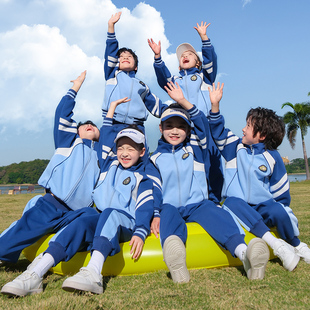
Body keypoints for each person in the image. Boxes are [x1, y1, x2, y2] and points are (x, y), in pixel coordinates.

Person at [149, 82, 270, 283]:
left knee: (215, 212)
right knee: (168, 214)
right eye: (169, 126)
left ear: (188, 131)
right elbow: (154, 190)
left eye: (181, 127)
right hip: (170, 206)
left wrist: (182, 101)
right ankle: (177, 263)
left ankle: (244, 254)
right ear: (160, 128)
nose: (175, 131)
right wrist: (155, 214)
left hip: (197, 204)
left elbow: (203, 125)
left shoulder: (196, 148)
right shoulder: (154, 159)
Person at [0, 71, 101, 297]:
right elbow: (62, 114)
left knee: (88, 218)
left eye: (94, 127)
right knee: (8, 244)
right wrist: (74, 88)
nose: (89, 126)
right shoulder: (68, 141)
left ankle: (45, 261)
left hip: (75, 213)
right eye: (84, 125)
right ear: (76, 130)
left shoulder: (101, 156)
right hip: (51, 204)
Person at [207, 82, 310, 270]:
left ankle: (296, 245)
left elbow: (281, 193)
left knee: (278, 210)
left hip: (262, 207)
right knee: (231, 201)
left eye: (248, 125)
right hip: (239, 207)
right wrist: (215, 105)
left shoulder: (273, 157)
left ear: (261, 135)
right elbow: (217, 130)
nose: (243, 129)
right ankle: (278, 246)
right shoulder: (234, 147)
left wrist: (282, 211)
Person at [61, 98, 155, 295]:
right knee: (83, 218)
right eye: (121, 148)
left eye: (131, 148)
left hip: (122, 221)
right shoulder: (108, 163)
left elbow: (147, 203)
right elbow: (107, 137)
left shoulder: (145, 173)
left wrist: (142, 229)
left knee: (111, 213)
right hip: (99, 218)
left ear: (142, 151)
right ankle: (37, 269)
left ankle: (94, 272)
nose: (125, 152)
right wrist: (111, 109)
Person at [148, 22, 223, 203]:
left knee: (212, 162)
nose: (185, 56)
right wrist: (158, 57)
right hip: (183, 126)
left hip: (203, 124)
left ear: (198, 62)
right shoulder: (176, 80)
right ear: (180, 66)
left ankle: (213, 200)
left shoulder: (205, 77)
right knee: (193, 165)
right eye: (182, 56)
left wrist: (204, 39)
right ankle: (188, 199)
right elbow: (163, 77)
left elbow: (211, 61)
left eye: (190, 54)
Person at [102, 11, 164, 147]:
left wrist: (177, 109)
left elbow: (156, 106)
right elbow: (111, 53)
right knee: (109, 158)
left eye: (129, 56)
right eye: (121, 57)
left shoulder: (142, 85)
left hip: (137, 127)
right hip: (113, 123)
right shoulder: (112, 75)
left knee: (140, 160)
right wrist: (111, 26)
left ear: (136, 66)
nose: (124, 57)